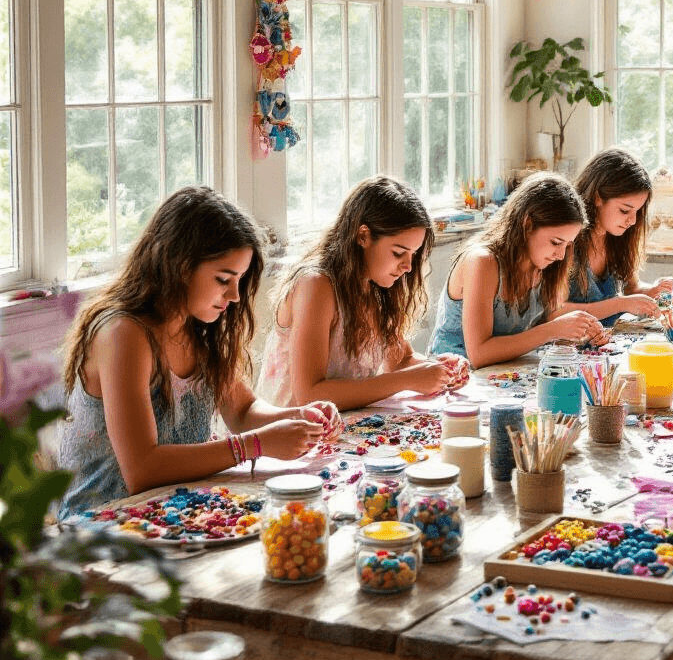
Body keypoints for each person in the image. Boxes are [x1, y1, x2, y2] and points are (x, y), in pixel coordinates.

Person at [58, 186, 339, 518]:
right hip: (103, 523)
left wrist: (296, 417)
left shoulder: (201, 327)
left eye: (240, 280)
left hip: (175, 510)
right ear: (179, 265)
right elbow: (142, 470)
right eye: (223, 279)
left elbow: (243, 410)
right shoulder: (124, 333)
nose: (235, 295)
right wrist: (253, 445)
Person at [260, 176, 468, 412]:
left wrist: (439, 369)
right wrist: (408, 380)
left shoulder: (375, 289)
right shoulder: (316, 285)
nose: (408, 267)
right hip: (290, 435)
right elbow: (309, 395)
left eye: (413, 254)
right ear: (362, 236)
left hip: (342, 428)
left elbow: (400, 360)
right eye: (399, 253)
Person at [428, 172, 604, 367]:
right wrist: (553, 329)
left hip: (502, 375)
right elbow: (479, 355)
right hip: (454, 380)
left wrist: (579, 331)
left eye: (568, 245)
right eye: (556, 242)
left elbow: (536, 331)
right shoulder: (482, 261)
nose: (561, 255)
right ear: (527, 224)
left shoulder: (545, 266)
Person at [555, 148, 673, 326]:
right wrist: (621, 304)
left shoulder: (618, 237)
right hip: (565, 347)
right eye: (625, 210)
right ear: (598, 197)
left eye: (637, 212)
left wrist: (658, 291)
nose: (633, 221)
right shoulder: (566, 240)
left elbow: (632, 288)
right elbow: (555, 311)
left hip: (606, 341)